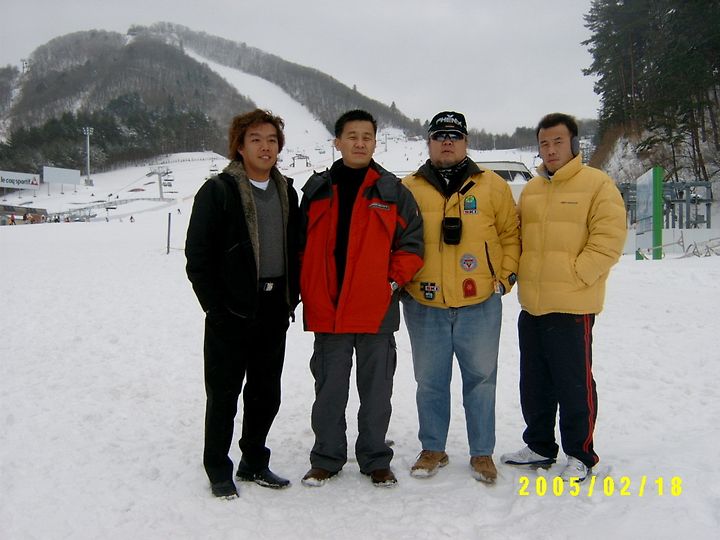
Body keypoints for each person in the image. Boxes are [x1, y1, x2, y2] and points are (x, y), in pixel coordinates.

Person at [299, 109, 424, 488]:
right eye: (352, 136)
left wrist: (390, 283)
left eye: (366, 136)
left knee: (376, 393)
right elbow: (299, 246)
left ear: (375, 143)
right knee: (329, 392)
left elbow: (412, 245)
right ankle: (326, 458)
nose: (359, 143)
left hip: (375, 311)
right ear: (337, 142)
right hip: (329, 311)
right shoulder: (317, 189)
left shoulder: (392, 191)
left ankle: (375, 459)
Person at [501, 113, 627, 482]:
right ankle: (539, 446)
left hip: (572, 305)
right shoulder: (532, 190)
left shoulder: (597, 185)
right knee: (534, 382)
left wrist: (577, 275)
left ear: (573, 144)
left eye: (557, 141)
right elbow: (518, 238)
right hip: (533, 305)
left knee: (574, 383)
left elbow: (608, 240)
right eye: (544, 143)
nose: (551, 149)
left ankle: (580, 454)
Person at [185, 109, 301, 498]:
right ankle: (219, 469)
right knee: (224, 395)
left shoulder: (287, 191)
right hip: (230, 311)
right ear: (239, 146)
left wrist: (292, 296)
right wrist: (214, 309)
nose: (265, 147)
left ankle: (254, 461)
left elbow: (296, 247)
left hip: (273, 309)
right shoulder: (218, 191)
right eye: (256, 140)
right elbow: (197, 257)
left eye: (271, 140)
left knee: (266, 394)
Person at [401, 111, 520, 484]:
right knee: (430, 382)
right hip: (425, 303)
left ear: (466, 142)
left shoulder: (492, 186)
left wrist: (505, 278)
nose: (447, 142)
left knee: (482, 380)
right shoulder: (408, 187)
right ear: (429, 143)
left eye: (454, 135)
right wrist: (402, 282)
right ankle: (432, 449)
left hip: (479, 302)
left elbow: (511, 234)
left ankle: (482, 452)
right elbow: (395, 240)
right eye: (440, 136)